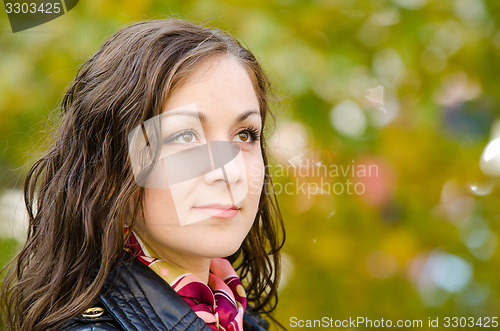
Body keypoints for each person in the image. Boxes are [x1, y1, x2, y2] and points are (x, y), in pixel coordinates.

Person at [0, 19, 285, 331]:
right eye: (185, 136)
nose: (229, 172)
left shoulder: (240, 319)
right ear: (107, 167)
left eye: (244, 135)